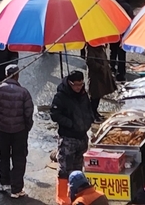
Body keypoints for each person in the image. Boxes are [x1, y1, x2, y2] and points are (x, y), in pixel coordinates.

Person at [0, 64, 34, 199]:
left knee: (3, 156)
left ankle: (4, 183)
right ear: (17, 75)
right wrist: (27, 128)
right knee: (19, 158)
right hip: (19, 131)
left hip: (2, 130)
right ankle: (17, 189)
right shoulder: (24, 92)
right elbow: (28, 113)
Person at [50, 71, 93, 205]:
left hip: (82, 137)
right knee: (64, 169)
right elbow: (54, 115)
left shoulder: (83, 94)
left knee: (78, 168)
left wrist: (89, 120)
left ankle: (75, 194)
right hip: (68, 138)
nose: (79, 87)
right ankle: (62, 196)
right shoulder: (60, 96)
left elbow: (88, 108)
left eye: (81, 84)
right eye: (76, 85)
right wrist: (70, 124)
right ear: (70, 83)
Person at [108, 0, 133, 81]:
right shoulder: (127, 6)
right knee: (122, 53)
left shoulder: (111, 5)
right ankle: (121, 73)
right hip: (123, 33)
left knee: (112, 51)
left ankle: (112, 68)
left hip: (113, 32)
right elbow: (131, 21)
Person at [85, 44, 116, 122]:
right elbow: (90, 62)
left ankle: (95, 112)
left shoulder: (101, 48)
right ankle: (92, 114)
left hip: (102, 76)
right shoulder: (91, 49)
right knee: (95, 96)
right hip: (96, 77)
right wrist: (100, 67)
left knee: (99, 95)